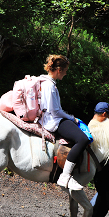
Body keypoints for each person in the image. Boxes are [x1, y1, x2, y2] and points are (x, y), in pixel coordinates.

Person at [38, 54, 90, 191]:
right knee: (83, 139)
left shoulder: (45, 82)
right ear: (59, 70)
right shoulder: (49, 86)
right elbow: (55, 111)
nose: (66, 73)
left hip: (51, 118)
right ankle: (65, 176)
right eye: (65, 70)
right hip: (53, 121)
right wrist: (72, 118)